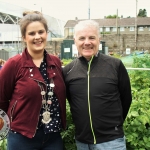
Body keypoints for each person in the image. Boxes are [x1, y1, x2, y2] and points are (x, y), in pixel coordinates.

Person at [0, 11, 66, 150]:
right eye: (32, 33)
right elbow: (1, 99)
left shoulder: (55, 62)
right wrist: (7, 126)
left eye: (41, 32)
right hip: (22, 138)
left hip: (52, 137)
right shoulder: (14, 64)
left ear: (46, 33)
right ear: (24, 37)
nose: (37, 37)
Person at [63, 20, 132, 150]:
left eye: (92, 38)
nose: (87, 42)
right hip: (82, 141)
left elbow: (126, 99)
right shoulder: (68, 70)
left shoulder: (115, 65)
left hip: (111, 141)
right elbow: (72, 101)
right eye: (82, 38)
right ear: (75, 41)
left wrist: (113, 125)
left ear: (99, 40)